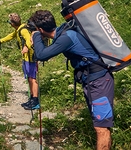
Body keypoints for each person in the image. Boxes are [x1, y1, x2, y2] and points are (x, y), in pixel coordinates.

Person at [29, 10, 114, 150]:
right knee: (101, 125)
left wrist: (36, 35)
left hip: (99, 82)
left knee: (101, 128)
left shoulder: (66, 37)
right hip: (93, 81)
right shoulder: (64, 33)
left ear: (41, 29)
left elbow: (42, 55)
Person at [0, 13, 39, 110]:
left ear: (12, 23)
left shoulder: (23, 31)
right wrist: (0, 41)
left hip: (31, 57)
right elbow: (11, 36)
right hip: (27, 58)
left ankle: (35, 101)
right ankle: (32, 99)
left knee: (32, 78)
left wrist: (26, 47)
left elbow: (29, 40)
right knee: (29, 78)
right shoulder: (19, 29)